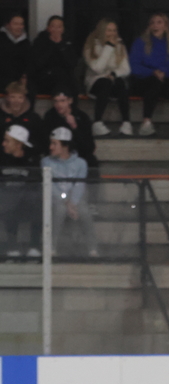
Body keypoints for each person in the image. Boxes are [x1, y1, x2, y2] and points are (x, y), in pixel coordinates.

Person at [41, 127, 96, 257]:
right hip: (57, 200)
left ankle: (93, 248)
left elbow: (79, 184)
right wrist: (66, 201)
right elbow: (51, 186)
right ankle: (51, 247)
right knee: (59, 210)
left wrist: (73, 203)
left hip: (74, 200)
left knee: (85, 212)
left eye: (54, 143)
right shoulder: (46, 162)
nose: (51, 147)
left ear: (65, 146)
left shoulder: (81, 163)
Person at [82, 18, 133, 137]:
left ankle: (126, 122)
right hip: (95, 83)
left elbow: (126, 69)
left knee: (120, 82)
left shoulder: (120, 45)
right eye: (109, 30)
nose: (112, 34)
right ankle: (97, 122)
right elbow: (97, 68)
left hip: (113, 81)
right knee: (105, 82)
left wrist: (114, 74)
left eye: (114, 30)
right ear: (101, 31)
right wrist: (109, 47)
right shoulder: (90, 46)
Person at [0, 124, 41, 259]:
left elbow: (35, 185)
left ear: (18, 144)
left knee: (38, 201)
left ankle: (34, 246)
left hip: (26, 202)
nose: (3, 143)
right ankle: (12, 246)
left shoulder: (32, 160)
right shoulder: (2, 158)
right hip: (6, 201)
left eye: (7, 141)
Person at [43, 90, 98, 169]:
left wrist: (74, 126)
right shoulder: (49, 116)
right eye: (56, 101)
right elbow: (45, 142)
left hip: (79, 156)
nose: (59, 105)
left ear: (70, 100)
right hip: (56, 157)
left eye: (62, 101)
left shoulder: (82, 117)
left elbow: (89, 147)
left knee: (91, 161)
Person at [30, 15, 77, 98]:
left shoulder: (68, 43)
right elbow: (38, 63)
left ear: (63, 29)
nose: (56, 30)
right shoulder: (39, 41)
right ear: (48, 28)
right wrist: (52, 44)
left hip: (64, 78)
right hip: (44, 77)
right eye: (53, 26)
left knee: (71, 84)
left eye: (59, 27)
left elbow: (71, 64)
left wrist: (60, 45)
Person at [1, 81, 45, 151]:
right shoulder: (1, 117)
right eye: (13, 97)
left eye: (20, 97)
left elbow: (40, 141)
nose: (16, 101)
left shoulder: (33, 118)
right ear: (7, 98)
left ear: (24, 98)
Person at [0, 13, 31, 97]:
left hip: (19, 80)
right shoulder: (1, 39)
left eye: (21, 24)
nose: (19, 27)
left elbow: (28, 62)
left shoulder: (26, 42)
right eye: (15, 24)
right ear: (7, 25)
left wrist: (24, 77)